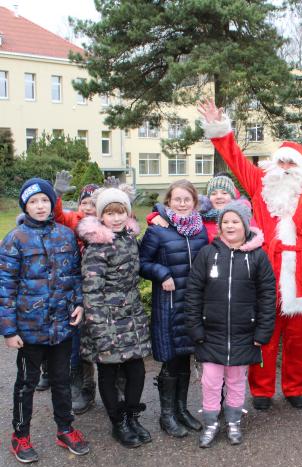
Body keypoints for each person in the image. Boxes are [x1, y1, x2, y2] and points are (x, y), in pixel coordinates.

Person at [198, 98, 302, 410]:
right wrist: (220, 130)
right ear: (274, 164)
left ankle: (295, 387)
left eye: (292, 165)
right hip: (263, 272)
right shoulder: (260, 185)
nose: (286, 169)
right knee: (264, 335)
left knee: (298, 339)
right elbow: (234, 158)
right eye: (283, 163)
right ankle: (261, 391)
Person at [0, 178, 89, 464]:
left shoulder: (65, 235)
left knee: (62, 380)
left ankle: (65, 429)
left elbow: (75, 275)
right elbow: (5, 287)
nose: (40, 206)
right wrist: (9, 330)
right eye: (33, 202)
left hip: (62, 326)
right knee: (27, 382)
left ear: (52, 203)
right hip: (29, 329)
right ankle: (20, 435)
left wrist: (79, 304)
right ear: (26, 206)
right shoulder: (15, 239)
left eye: (44, 201)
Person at [185, 201, 275, 447]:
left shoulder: (257, 257)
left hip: (244, 332)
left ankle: (234, 420)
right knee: (210, 381)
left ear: (245, 225)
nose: (230, 226)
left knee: (236, 380)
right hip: (211, 332)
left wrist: (263, 330)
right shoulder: (208, 254)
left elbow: (268, 295)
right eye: (226, 222)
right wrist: (195, 327)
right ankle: (211, 422)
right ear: (220, 226)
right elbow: (194, 291)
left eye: (235, 221)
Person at [78, 185, 152, 449]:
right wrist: (99, 329)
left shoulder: (129, 239)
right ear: (101, 217)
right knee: (109, 372)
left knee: (137, 371)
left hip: (131, 317)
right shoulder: (97, 246)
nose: (117, 218)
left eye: (121, 212)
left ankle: (131, 416)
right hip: (107, 321)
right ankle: (118, 423)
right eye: (110, 213)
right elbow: (91, 290)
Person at [139, 180, 208, 438]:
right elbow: (141, 262)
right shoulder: (158, 229)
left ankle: (181, 409)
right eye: (177, 199)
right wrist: (161, 272)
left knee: (186, 358)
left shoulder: (199, 229)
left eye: (186, 199)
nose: (181, 203)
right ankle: (166, 415)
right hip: (168, 304)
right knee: (170, 360)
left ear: (194, 202)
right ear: (168, 201)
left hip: (192, 304)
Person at [52, 171, 100, 415]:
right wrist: (57, 194)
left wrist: (123, 197)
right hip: (77, 288)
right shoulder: (73, 221)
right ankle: (83, 386)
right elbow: (56, 215)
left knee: (102, 339)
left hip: (102, 289)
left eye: (94, 203)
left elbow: (125, 218)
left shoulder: (106, 221)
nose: (89, 208)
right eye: (85, 203)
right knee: (78, 341)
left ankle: (114, 387)